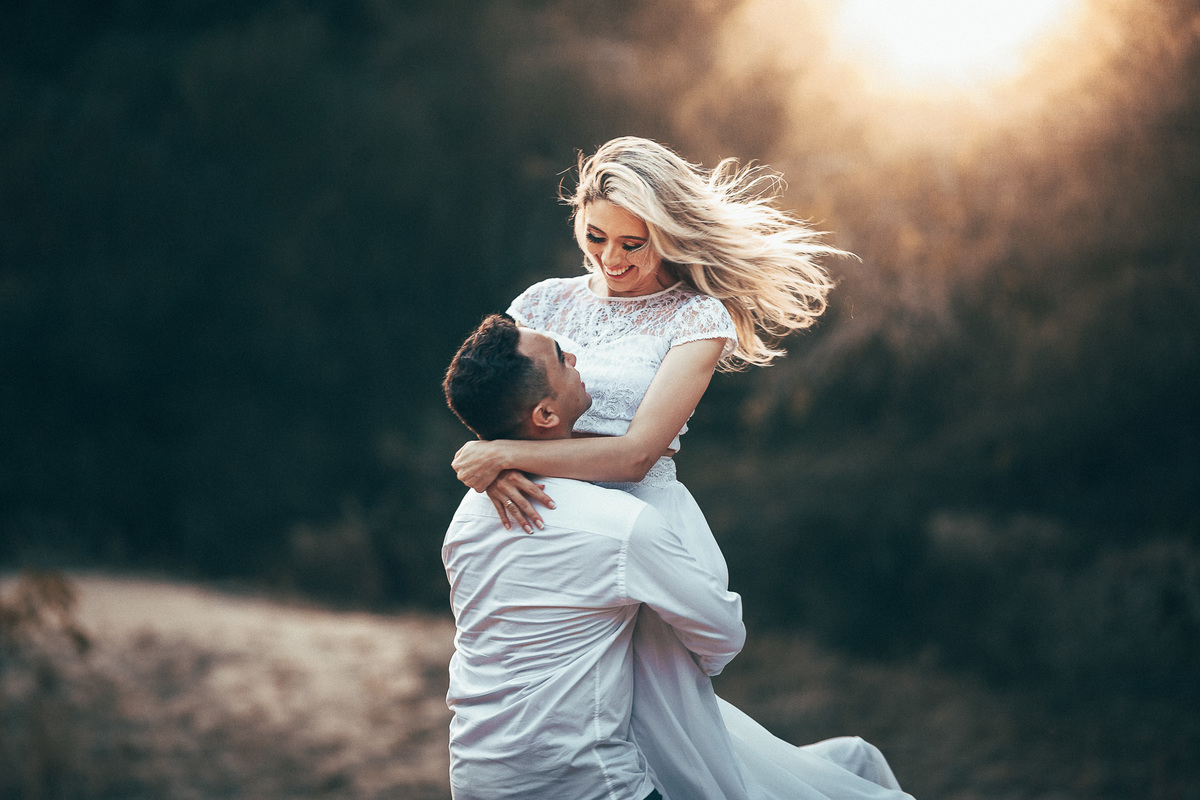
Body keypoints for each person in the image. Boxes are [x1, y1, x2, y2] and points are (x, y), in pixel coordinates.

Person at [451, 136, 913, 799]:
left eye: (632, 244)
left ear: (667, 232)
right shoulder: (543, 303)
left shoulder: (698, 316)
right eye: (595, 237)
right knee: (577, 714)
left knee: (671, 743)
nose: (611, 259)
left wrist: (504, 457)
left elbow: (638, 451)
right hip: (554, 529)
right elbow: (507, 401)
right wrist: (494, 462)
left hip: (643, 522)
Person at [441, 314, 747, 800]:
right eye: (563, 358)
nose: (577, 358)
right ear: (543, 415)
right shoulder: (622, 527)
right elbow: (724, 634)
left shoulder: (466, 518)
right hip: (586, 781)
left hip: (475, 775)